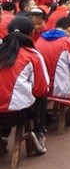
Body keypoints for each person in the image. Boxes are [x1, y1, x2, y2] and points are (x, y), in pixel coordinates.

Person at [0, 16, 50, 154]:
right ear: (31, 33)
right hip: (19, 113)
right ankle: (39, 133)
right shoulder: (32, 55)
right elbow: (42, 89)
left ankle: (4, 137)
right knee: (41, 97)